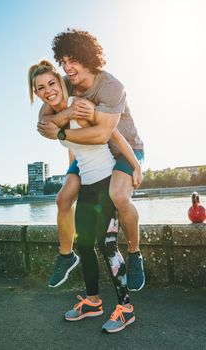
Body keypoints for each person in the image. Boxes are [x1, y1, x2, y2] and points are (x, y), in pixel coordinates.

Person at [28, 59, 140, 333]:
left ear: (61, 82)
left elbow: (112, 134)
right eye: (40, 88)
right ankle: (93, 302)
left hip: (105, 181)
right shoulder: (51, 118)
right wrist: (71, 171)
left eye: (52, 83)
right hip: (87, 184)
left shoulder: (79, 105)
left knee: (107, 246)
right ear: (36, 93)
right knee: (84, 246)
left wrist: (135, 166)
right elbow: (73, 148)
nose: (48, 90)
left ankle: (126, 309)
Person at [37, 29, 145, 292]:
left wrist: (60, 130)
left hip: (124, 149)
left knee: (119, 196)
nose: (66, 67)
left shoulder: (111, 87)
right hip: (87, 152)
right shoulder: (64, 83)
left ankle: (134, 254)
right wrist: (66, 119)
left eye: (72, 60)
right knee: (63, 198)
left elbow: (104, 134)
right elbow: (43, 122)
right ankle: (66, 255)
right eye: (62, 61)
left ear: (87, 58)